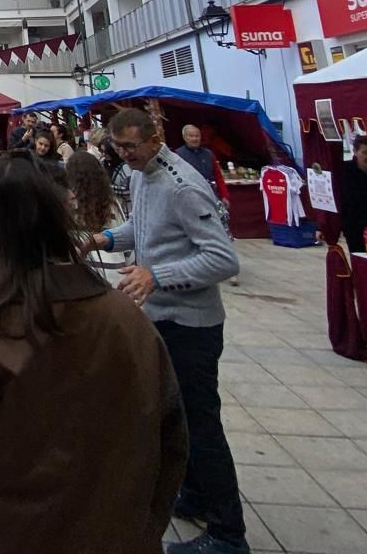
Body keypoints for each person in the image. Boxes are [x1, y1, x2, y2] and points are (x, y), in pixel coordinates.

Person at [0, 157, 188, 552]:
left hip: (10, 535)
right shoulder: (126, 318)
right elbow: (172, 439)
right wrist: (142, 526)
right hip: (117, 536)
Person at [89, 108, 244, 554]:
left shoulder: (184, 187)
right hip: (159, 320)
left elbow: (222, 259)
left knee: (202, 424)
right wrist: (104, 238)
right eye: (118, 148)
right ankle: (193, 492)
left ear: (156, 139)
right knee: (174, 418)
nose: (125, 156)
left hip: (191, 325)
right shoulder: (140, 174)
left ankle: (228, 533)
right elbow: (141, 226)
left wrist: (158, 275)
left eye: (132, 147)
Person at [68, 150, 131, 287]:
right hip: (116, 274)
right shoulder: (111, 203)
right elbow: (127, 246)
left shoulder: (69, 205)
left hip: (83, 276)